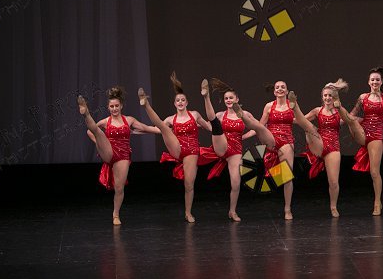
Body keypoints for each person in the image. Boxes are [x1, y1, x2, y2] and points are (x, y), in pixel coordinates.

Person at [77, 86, 157, 226]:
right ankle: (86, 113)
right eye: (111, 106)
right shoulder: (106, 121)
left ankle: (116, 214)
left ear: (121, 106)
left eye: (116, 106)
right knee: (98, 132)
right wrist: (98, 142)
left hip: (123, 156)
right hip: (108, 151)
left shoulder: (129, 120)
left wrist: (164, 130)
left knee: (119, 188)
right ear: (108, 108)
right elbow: (90, 132)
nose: (114, 109)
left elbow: (146, 128)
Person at [137, 72, 211, 223]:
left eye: (183, 100)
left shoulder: (195, 115)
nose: (180, 102)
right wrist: (140, 130)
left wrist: (221, 129)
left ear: (187, 102)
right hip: (177, 147)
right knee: (163, 126)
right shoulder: (171, 119)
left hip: (192, 151)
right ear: (174, 104)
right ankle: (146, 104)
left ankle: (188, 213)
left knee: (189, 184)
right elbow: (157, 129)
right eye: (178, 100)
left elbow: (209, 127)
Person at [199, 78, 275, 222]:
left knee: (236, 183)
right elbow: (207, 126)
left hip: (235, 150)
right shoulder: (221, 115)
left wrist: (245, 136)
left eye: (231, 98)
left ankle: (232, 211)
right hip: (221, 144)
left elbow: (256, 128)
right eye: (226, 98)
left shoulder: (246, 114)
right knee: (215, 123)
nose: (228, 100)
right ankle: (206, 96)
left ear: (237, 99)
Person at [259, 80, 322, 221]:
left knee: (287, 176)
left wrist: (313, 128)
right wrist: (247, 135)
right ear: (274, 91)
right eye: (277, 87)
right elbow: (260, 125)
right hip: (271, 139)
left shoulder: (291, 105)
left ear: (287, 91)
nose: (280, 89)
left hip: (286, 141)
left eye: (283, 87)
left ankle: (287, 209)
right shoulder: (269, 106)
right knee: (275, 175)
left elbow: (301, 120)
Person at [302, 79, 357, 218]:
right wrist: (282, 120)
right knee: (307, 127)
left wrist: (341, 108)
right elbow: (301, 120)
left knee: (333, 182)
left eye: (330, 96)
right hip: (319, 143)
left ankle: (333, 207)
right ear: (322, 97)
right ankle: (295, 106)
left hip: (333, 147)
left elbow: (350, 120)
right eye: (325, 95)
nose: (327, 98)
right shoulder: (317, 111)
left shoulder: (339, 111)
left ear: (334, 98)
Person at [349, 67, 383, 216]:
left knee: (374, 171)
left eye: (377, 79)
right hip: (363, 131)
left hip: (376, 134)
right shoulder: (362, 97)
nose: (375, 82)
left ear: (381, 81)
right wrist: (361, 120)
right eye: (372, 80)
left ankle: (377, 202)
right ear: (368, 82)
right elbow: (351, 115)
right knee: (350, 120)